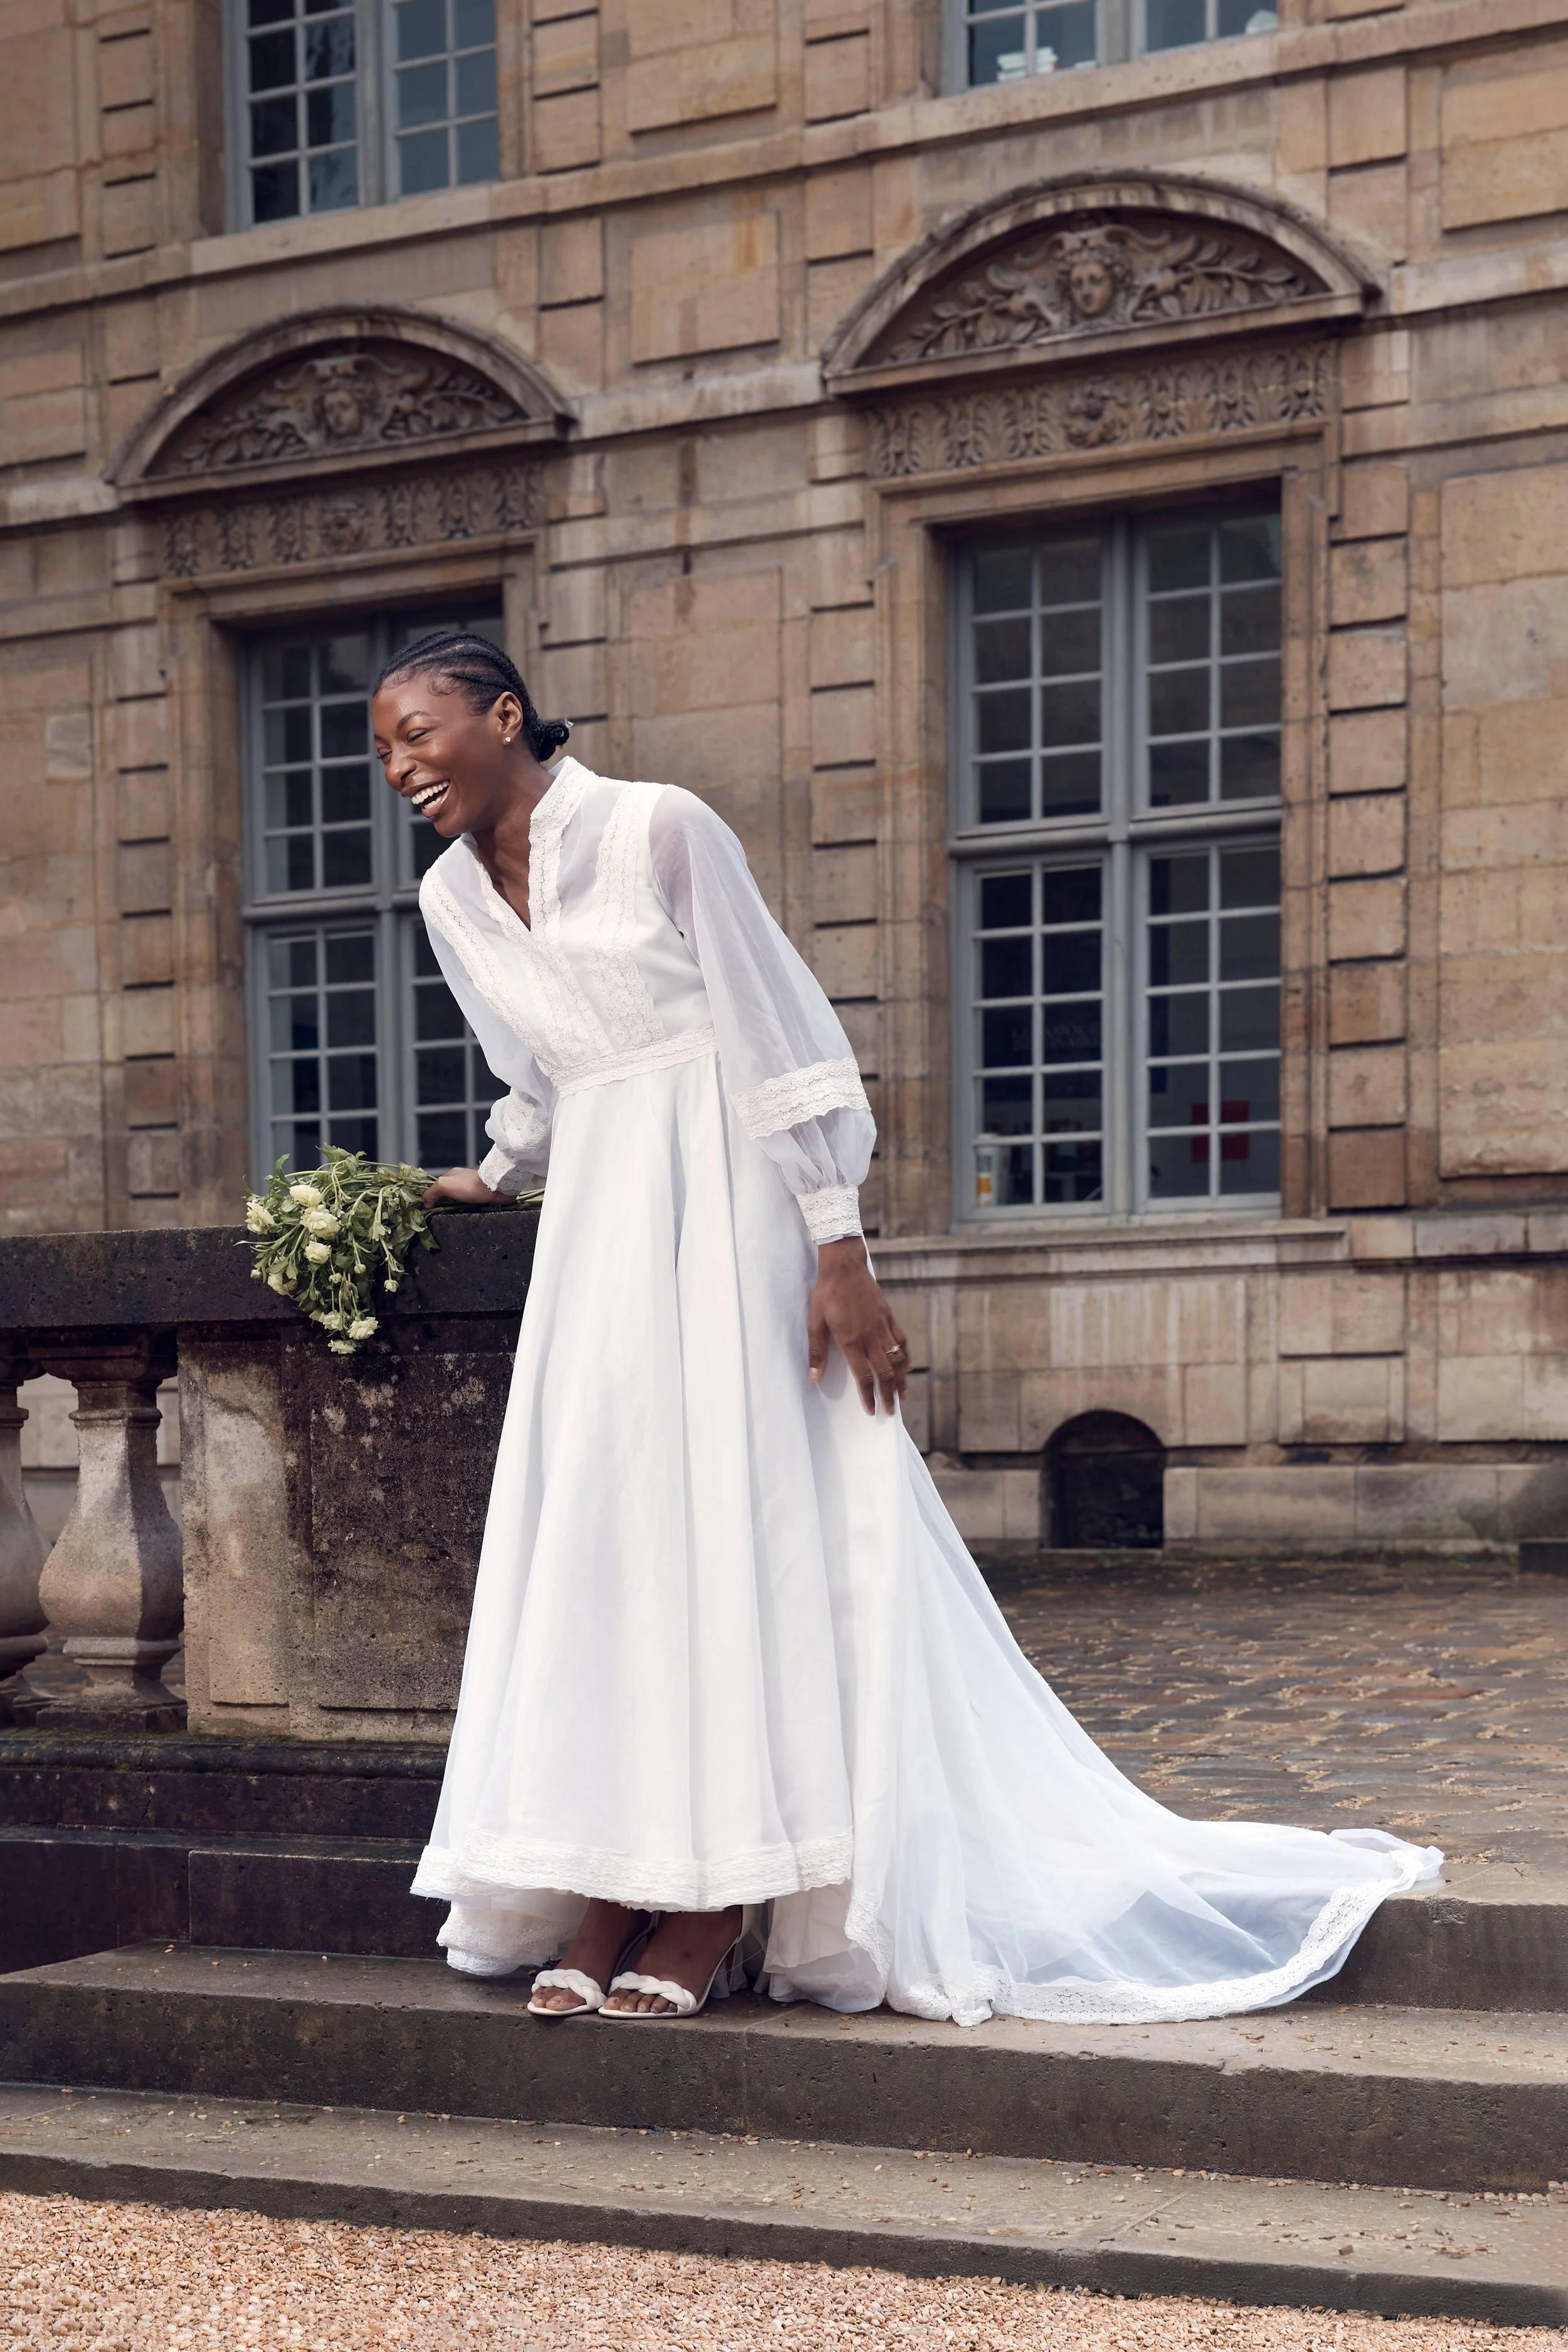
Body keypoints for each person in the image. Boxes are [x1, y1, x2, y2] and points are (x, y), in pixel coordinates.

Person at [374, 627, 1441, 2027]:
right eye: (382, 746)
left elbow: (776, 1026)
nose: (398, 766)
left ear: (505, 714)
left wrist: (838, 1242)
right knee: (614, 1540)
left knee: (745, 1537)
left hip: (736, 1211)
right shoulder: (451, 894)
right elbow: (546, 1072)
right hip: (602, 1246)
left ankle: (718, 1895)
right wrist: (498, 1171)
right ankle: (607, 1875)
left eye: (417, 731)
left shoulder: (658, 828)